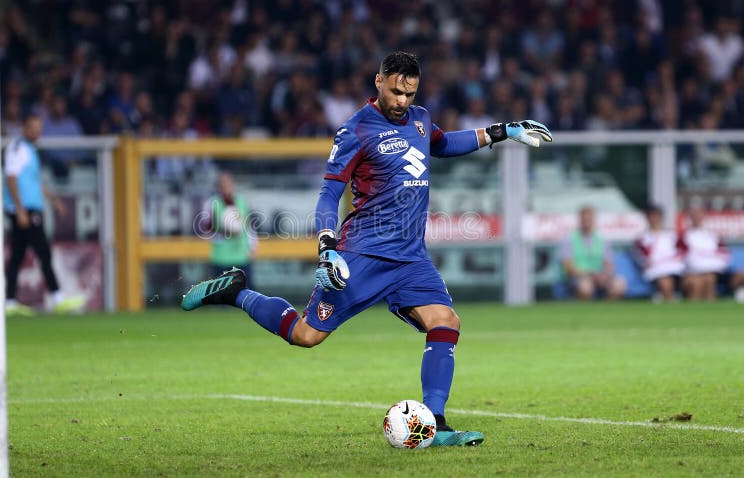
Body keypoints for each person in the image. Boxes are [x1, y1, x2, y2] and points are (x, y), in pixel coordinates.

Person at [181, 52, 553, 446]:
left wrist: (501, 131)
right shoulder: (355, 130)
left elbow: (444, 145)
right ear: (379, 82)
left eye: (410, 93)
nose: (402, 102)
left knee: (445, 321)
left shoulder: (421, 119)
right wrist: (327, 247)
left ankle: (437, 423)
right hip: (363, 254)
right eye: (395, 91)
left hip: (410, 256)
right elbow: (328, 195)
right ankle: (237, 291)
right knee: (306, 335)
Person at [3, 114, 86, 315]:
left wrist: (54, 200)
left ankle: (10, 302)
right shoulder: (18, 148)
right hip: (26, 211)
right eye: (33, 127)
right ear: (23, 128)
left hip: (29, 208)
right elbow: (11, 178)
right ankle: (58, 298)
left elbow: (33, 182)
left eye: (39, 127)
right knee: (43, 252)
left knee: (17, 255)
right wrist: (20, 210)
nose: (37, 131)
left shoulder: (30, 150)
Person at [560, 205, 626, 301]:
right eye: (584, 219)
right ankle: (583, 313)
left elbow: (609, 264)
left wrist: (604, 275)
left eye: (589, 219)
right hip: (579, 277)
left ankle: (605, 312)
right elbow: (569, 268)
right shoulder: (569, 239)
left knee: (619, 284)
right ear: (580, 220)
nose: (587, 222)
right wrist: (590, 275)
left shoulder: (602, 239)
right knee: (585, 287)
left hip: (599, 276)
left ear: (594, 220)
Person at [200, 172, 257, 281]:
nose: (225, 186)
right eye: (222, 183)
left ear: (233, 184)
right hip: (221, 259)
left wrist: (253, 247)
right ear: (218, 186)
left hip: (241, 257)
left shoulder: (242, 201)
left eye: (228, 183)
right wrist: (224, 232)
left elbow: (250, 227)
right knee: (221, 295)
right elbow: (205, 230)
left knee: (246, 295)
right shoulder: (211, 203)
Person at [633, 203, 684, 302]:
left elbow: (682, 252)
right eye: (651, 216)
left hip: (674, 268)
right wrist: (646, 263)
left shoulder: (672, 235)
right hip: (656, 270)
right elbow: (641, 257)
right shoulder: (642, 238)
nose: (654, 219)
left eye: (656, 215)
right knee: (665, 282)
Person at [680, 206, 730, 302]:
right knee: (697, 282)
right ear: (690, 218)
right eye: (694, 215)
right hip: (693, 272)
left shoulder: (713, 235)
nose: (697, 218)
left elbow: (724, 254)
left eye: (699, 215)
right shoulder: (684, 236)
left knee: (709, 278)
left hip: (713, 271)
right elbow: (684, 257)